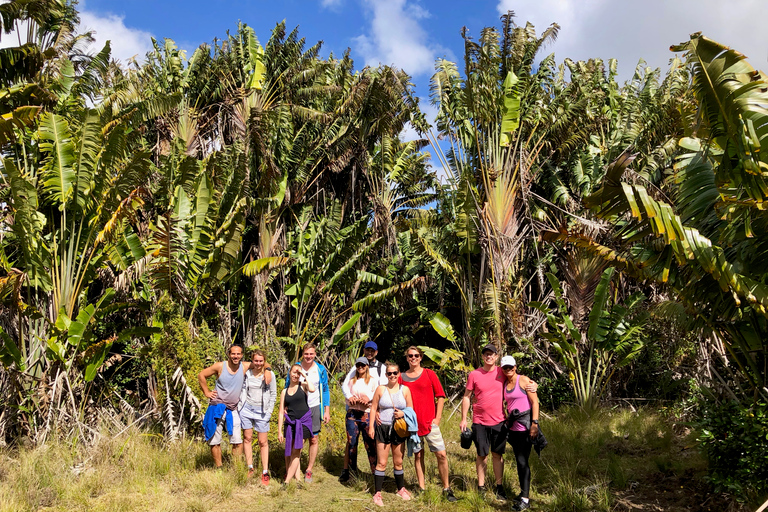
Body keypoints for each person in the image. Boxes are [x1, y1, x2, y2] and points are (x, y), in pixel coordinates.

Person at [459, 344, 538, 500]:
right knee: (482, 454)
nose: (489, 357)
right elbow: (466, 396)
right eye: (486, 354)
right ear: (482, 357)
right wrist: (463, 419)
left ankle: (499, 486)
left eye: (492, 354)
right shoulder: (474, 374)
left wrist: (534, 384)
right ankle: (481, 486)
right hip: (479, 421)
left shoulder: (501, 372)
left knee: (497, 455)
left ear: (496, 357)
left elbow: (519, 379)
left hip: (499, 422)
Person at [399, 346, 457, 502]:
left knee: (441, 455)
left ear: (420, 357)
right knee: (419, 456)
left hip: (430, 423)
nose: (413, 358)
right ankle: (422, 488)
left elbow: (441, 396)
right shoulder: (401, 377)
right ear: (407, 358)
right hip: (412, 426)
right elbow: (394, 396)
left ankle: (446, 488)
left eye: (416, 355)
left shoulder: (429, 374)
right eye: (410, 355)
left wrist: (437, 418)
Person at [368, 362, 414, 507]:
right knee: (381, 462)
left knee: (398, 461)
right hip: (383, 428)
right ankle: (377, 493)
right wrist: (371, 426)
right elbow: (374, 408)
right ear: (386, 375)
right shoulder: (381, 389)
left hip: (399, 429)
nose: (392, 375)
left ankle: (400, 489)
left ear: (399, 374)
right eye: (389, 373)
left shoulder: (405, 390)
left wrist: (402, 413)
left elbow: (410, 410)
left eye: (395, 373)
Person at [284, 343, 330, 483]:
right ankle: (292, 471)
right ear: (302, 354)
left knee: (314, 439)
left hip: (314, 406)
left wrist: (326, 410)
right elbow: (287, 386)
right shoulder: (296, 368)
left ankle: (309, 469)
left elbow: (325, 390)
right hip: (298, 408)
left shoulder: (320, 369)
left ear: (315, 354)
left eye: (311, 354)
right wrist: (285, 405)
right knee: (296, 441)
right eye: (306, 354)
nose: (308, 356)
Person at [500, 355, 539, 511]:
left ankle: (525, 498)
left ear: (515, 367)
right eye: (505, 368)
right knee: (519, 461)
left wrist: (535, 424)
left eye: (511, 367)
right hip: (513, 428)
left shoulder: (523, 380)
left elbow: (535, 402)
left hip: (525, 427)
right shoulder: (504, 383)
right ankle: (523, 492)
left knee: (523, 461)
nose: (508, 370)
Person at [199, 344, 247, 468]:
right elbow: (201, 375)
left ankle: (236, 468)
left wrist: (268, 371)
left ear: (242, 355)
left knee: (237, 440)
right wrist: (206, 392)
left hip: (233, 408)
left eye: (238, 354)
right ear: (229, 354)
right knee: (215, 440)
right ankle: (219, 468)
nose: (235, 356)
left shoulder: (244, 366)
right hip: (217, 406)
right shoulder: (220, 366)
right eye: (233, 353)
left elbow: (263, 364)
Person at [238, 349, 276, 484]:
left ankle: (265, 471)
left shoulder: (269, 375)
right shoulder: (246, 373)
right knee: (247, 438)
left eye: (261, 361)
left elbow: (273, 395)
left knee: (262, 442)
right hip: (247, 409)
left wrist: (269, 412)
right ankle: (250, 467)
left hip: (262, 411)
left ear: (264, 361)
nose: (258, 363)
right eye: (256, 361)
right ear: (252, 361)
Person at [339, 357, 379, 483]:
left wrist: (369, 398)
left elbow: (377, 393)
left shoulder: (373, 381)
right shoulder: (351, 380)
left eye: (363, 365)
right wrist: (350, 397)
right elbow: (345, 390)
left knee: (370, 444)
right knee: (352, 443)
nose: (360, 367)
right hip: (352, 414)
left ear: (367, 366)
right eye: (358, 365)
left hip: (366, 414)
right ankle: (351, 473)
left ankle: (375, 473)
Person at [278, 363, 316, 485]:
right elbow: (280, 412)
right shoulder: (284, 391)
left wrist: (304, 375)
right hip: (290, 423)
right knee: (291, 450)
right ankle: (298, 479)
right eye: (294, 372)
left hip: (304, 422)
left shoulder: (303, 386)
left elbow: (312, 389)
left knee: (296, 450)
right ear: (289, 373)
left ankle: (287, 481)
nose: (296, 375)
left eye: (298, 373)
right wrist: (279, 431)